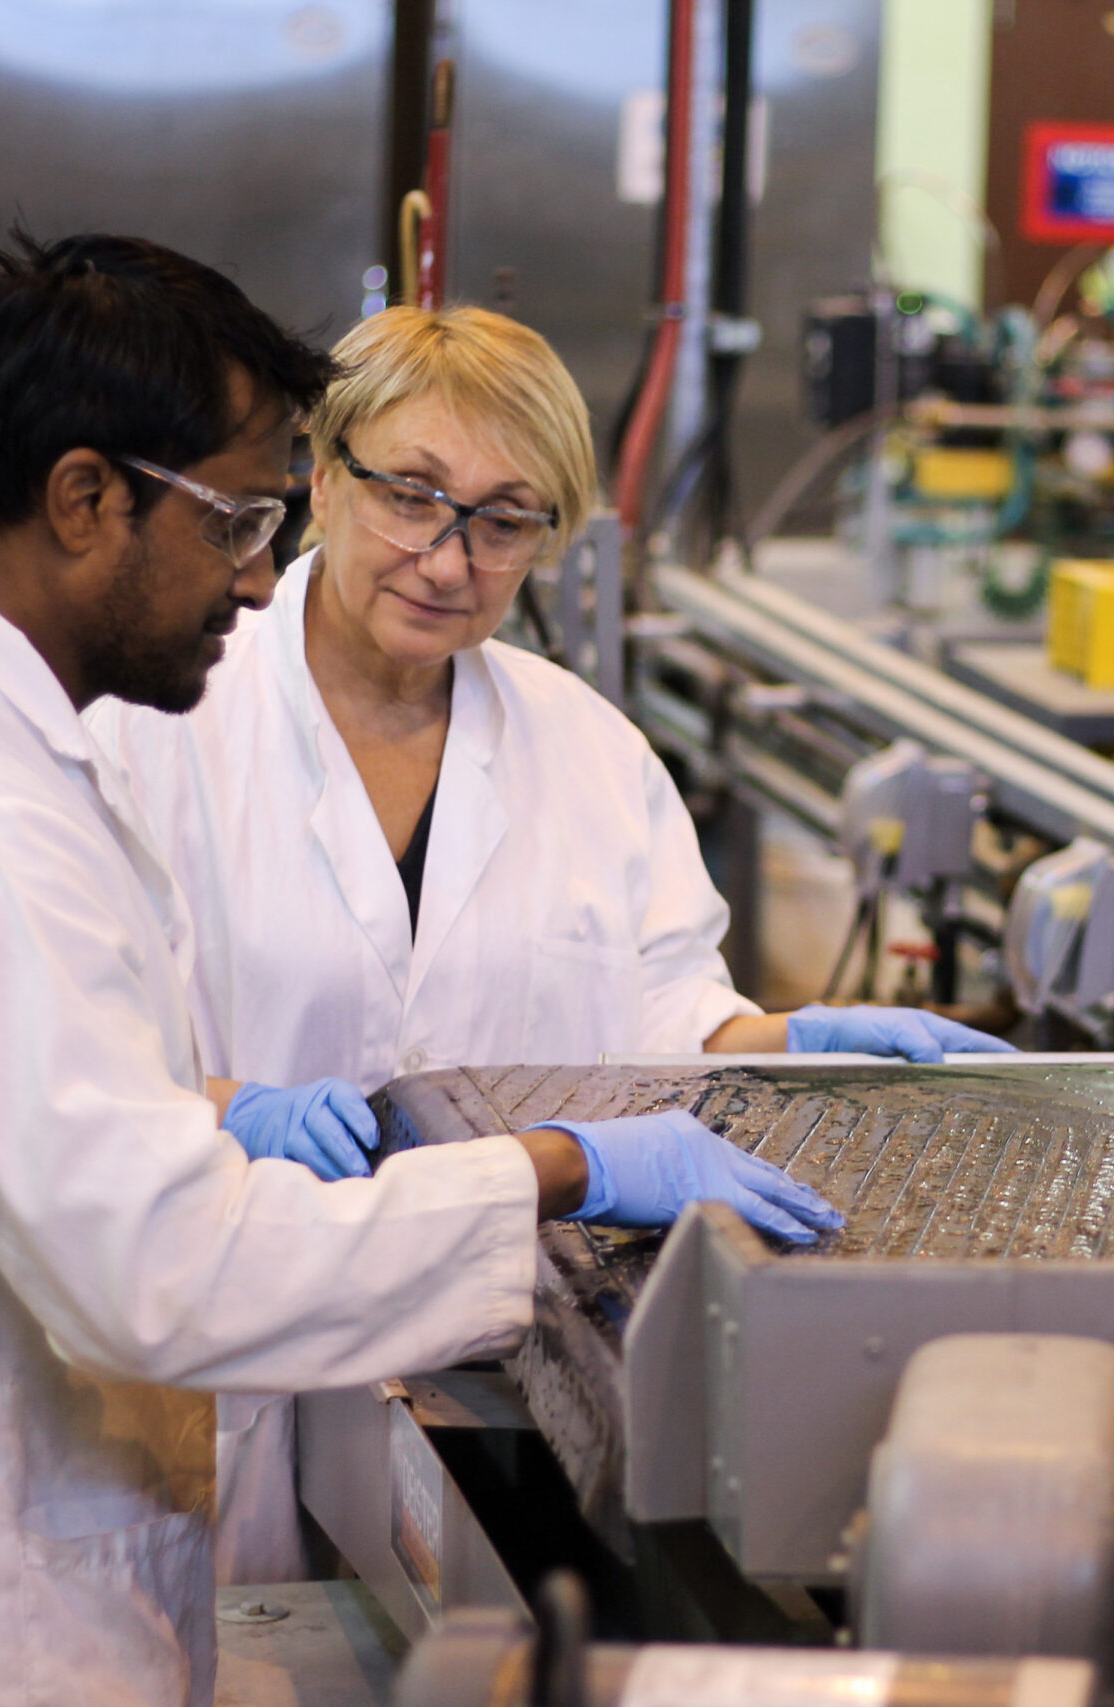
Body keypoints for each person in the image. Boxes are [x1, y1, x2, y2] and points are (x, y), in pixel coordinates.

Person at [0, 232, 837, 1707]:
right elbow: (163, 1270)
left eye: (503, 519)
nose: (260, 572)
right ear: (86, 498)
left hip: (7, 1530)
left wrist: (781, 1044)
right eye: (239, 521)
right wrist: (546, 1164)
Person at [84, 305, 1009, 1580]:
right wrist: (227, 1108)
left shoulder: (591, 752)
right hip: (226, 1363)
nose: (448, 559)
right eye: (412, 494)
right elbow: (57, 1072)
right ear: (322, 469)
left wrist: (786, 1046)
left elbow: (655, 1017)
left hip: (490, 1358)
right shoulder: (155, 726)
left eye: (505, 520)